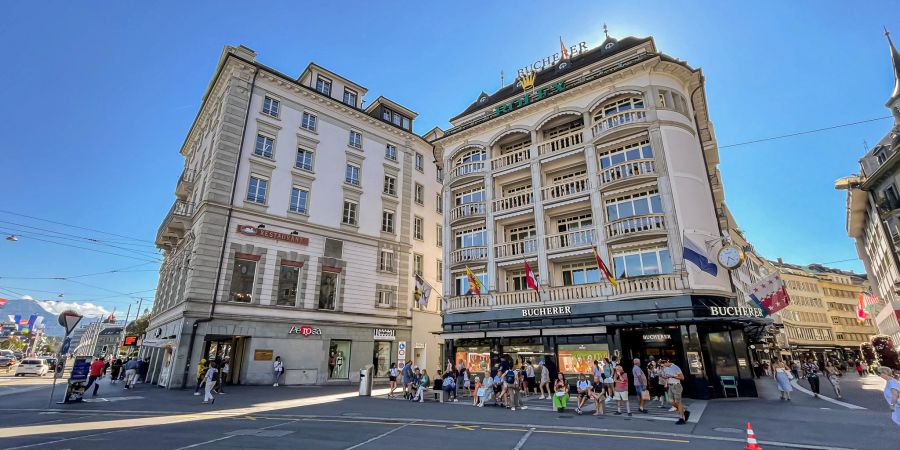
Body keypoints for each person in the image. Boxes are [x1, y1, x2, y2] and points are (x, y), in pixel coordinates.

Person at [661, 358, 689, 425]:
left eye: (664, 363)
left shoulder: (676, 367)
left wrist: (673, 376)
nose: (663, 364)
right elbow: (665, 377)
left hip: (677, 386)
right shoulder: (665, 368)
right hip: (670, 386)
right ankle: (684, 411)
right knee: (670, 401)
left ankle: (681, 418)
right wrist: (664, 377)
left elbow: (682, 378)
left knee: (678, 402)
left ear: (668, 361)